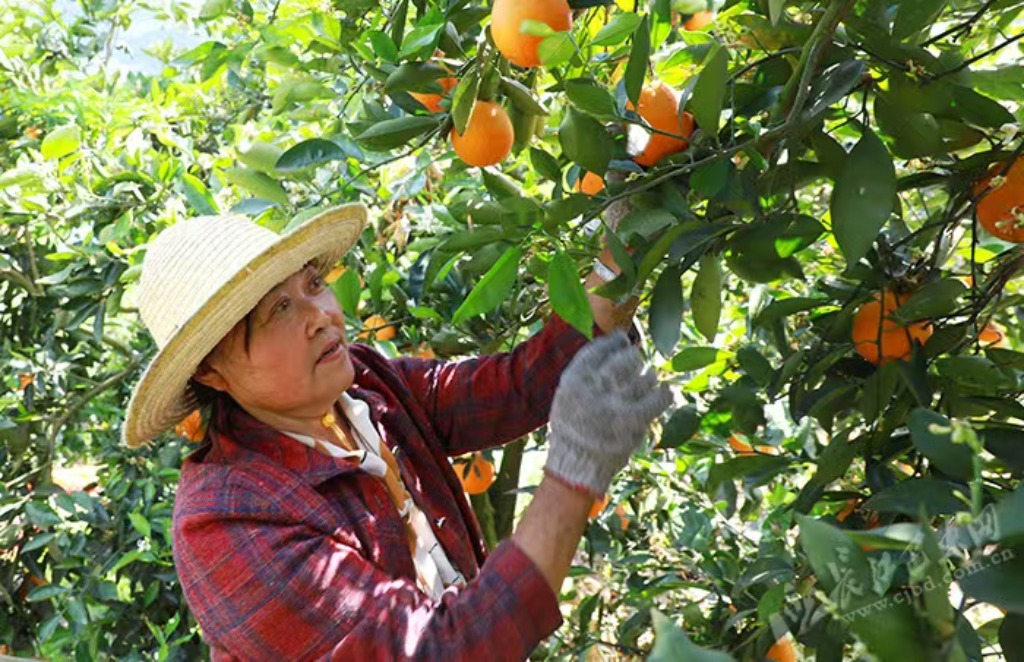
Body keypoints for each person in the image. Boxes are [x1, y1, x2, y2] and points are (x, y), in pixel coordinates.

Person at [122, 202, 671, 660]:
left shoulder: (369, 387)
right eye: (279, 310)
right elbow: (437, 651)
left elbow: (521, 384)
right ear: (211, 372)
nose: (320, 316)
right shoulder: (226, 521)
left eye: (313, 285)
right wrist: (574, 474)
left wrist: (622, 250)